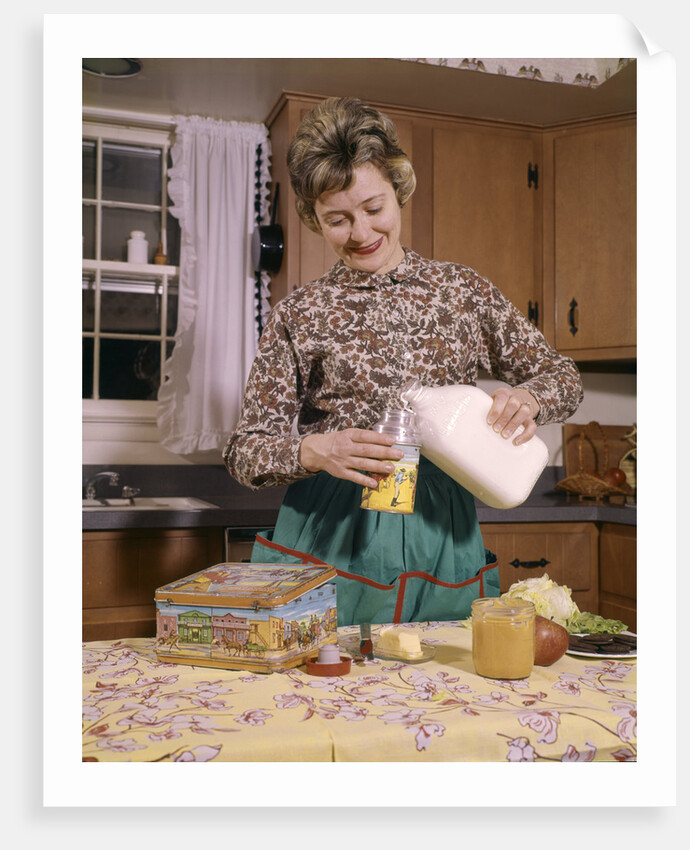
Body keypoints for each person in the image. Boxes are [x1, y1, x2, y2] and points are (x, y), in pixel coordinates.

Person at [223, 96, 583, 627]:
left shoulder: (461, 292)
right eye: (337, 220)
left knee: (445, 689)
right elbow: (244, 452)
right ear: (314, 219)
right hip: (332, 523)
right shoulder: (298, 313)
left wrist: (529, 397)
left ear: (400, 190)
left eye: (374, 209)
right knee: (321, 693)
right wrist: (313, 449)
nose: (362, 234)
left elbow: (563, 377)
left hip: (442, 525)